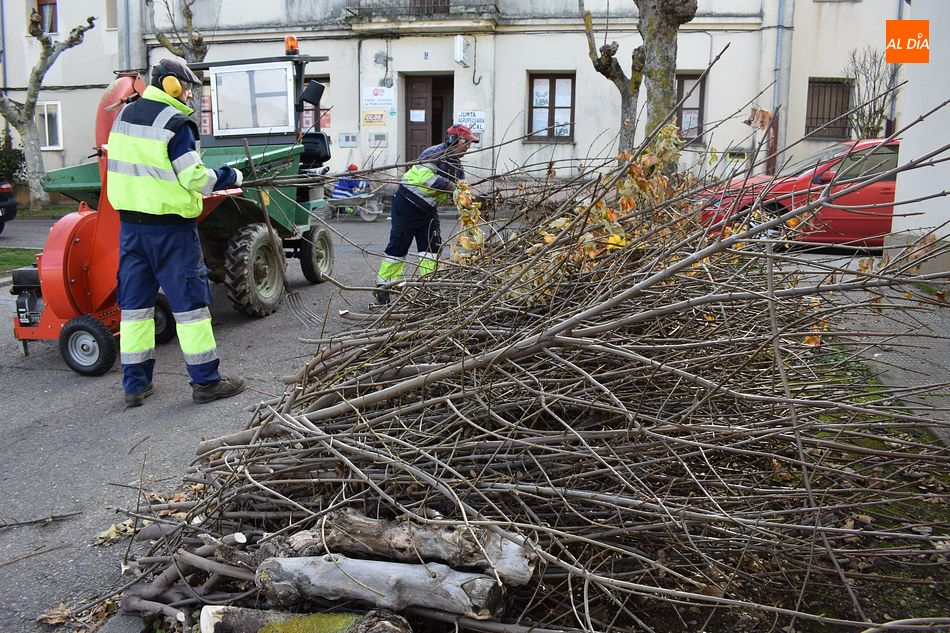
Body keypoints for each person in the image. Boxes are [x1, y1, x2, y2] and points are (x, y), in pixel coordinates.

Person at [107, 58, 247, 407]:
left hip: (130, 230)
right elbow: (195, 179)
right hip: (170, 231)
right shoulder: (175, 123)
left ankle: (135, 386)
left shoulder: (123, 117)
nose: (188, 93)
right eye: (186, 87)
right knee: (190, 308)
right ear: (171, 84)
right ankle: (206, 382)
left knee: (135, 309)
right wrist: (230, 176)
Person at [374, 124, 477, 304]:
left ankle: (428, 287)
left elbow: (461, 187)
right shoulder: (433, 154)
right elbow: (425, 180)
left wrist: (467, 200)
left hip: (428, 210)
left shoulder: (457, 164)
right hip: (407, 204)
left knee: (432, 249)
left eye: (469, 144)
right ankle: (385, 286)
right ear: (454, 141)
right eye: (466, 143)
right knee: (398, 247)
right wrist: (450, 187)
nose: (468, 148)